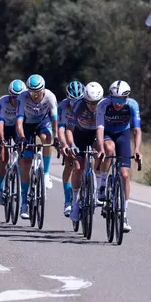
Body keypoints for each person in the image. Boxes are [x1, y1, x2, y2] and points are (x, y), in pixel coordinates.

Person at [95, 80, 141, 233]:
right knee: (109, 149)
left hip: (123, 134)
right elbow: (100, 129)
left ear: (126, 98)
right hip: (107, 133)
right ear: (110, 97)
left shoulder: (133, 105)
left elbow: (137, 130)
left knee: (125, 175)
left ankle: (124, 214)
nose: (117, 103)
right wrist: (100, 148)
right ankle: (102, 184)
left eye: (121, 100)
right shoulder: (103, 105)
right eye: (115, 99)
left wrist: (137, 150)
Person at [15, 74, 58, 220]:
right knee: (26, 161)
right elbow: (19, 121)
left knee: (47, 138)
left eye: (37, 92)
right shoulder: (22, 97)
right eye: (31, 92)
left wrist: (57, 136)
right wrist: (21, 138)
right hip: (26, 125)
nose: (34, 95)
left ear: (43, 90)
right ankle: (24, 203)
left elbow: (54, 120)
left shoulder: (50, 97)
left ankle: (45, 174)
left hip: (42, 123)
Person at [66, 81, 103, 221]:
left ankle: (99, 188)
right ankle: (75, 203)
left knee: (103, 153)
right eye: (89, 103)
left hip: (95, 136)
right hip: (80, 137)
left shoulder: (104, 106)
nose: (93, 106)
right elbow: (69, 130)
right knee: (78, 167)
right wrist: (72, 145)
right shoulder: (78, 106)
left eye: (96, 103)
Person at [0, 79, 26, 205]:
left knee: (23, 155)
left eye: (19, 98)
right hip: (5, 128)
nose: (16, 100)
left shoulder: (25, 102)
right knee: (3, 159)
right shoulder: (3, 102)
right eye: (14, 97)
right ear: (9, 95)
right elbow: (0, 124)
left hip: (18, 129)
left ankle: (19, 182)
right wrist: (2, 142)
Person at [57, 81, 85, 216]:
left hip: (84, 133)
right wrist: (64, 145)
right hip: (68, 133)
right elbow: (61, 129)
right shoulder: (63, 106)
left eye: (78, 101)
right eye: (72, 101)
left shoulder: (88, 104)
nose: (75, 104)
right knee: (69, 163)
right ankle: (68, 201)